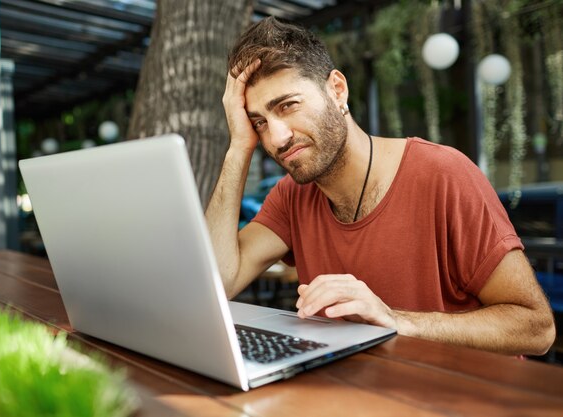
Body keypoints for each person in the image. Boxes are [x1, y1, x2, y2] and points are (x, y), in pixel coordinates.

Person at [205, 16, 555, 356]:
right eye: (259, 123)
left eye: (288, 105)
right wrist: (239, 147)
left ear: (337, 90)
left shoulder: (443, 173)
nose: (277, 137)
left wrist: (394, 320)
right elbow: (218, 284)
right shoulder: (291, 196)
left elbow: (536, 328)